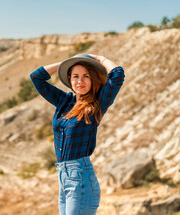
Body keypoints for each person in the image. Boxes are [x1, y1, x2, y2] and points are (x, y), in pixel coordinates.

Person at [30, 53, 125, 215]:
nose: (80, 81)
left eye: (85, 76)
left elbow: (117, 75)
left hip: (80, 178)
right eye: (75, 76)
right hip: (63, 178)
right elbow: (36, 77)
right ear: (69, 79)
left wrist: (99, 59)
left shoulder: (98, 103)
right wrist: (68, 62)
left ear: (93, 79)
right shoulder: (64, 101)